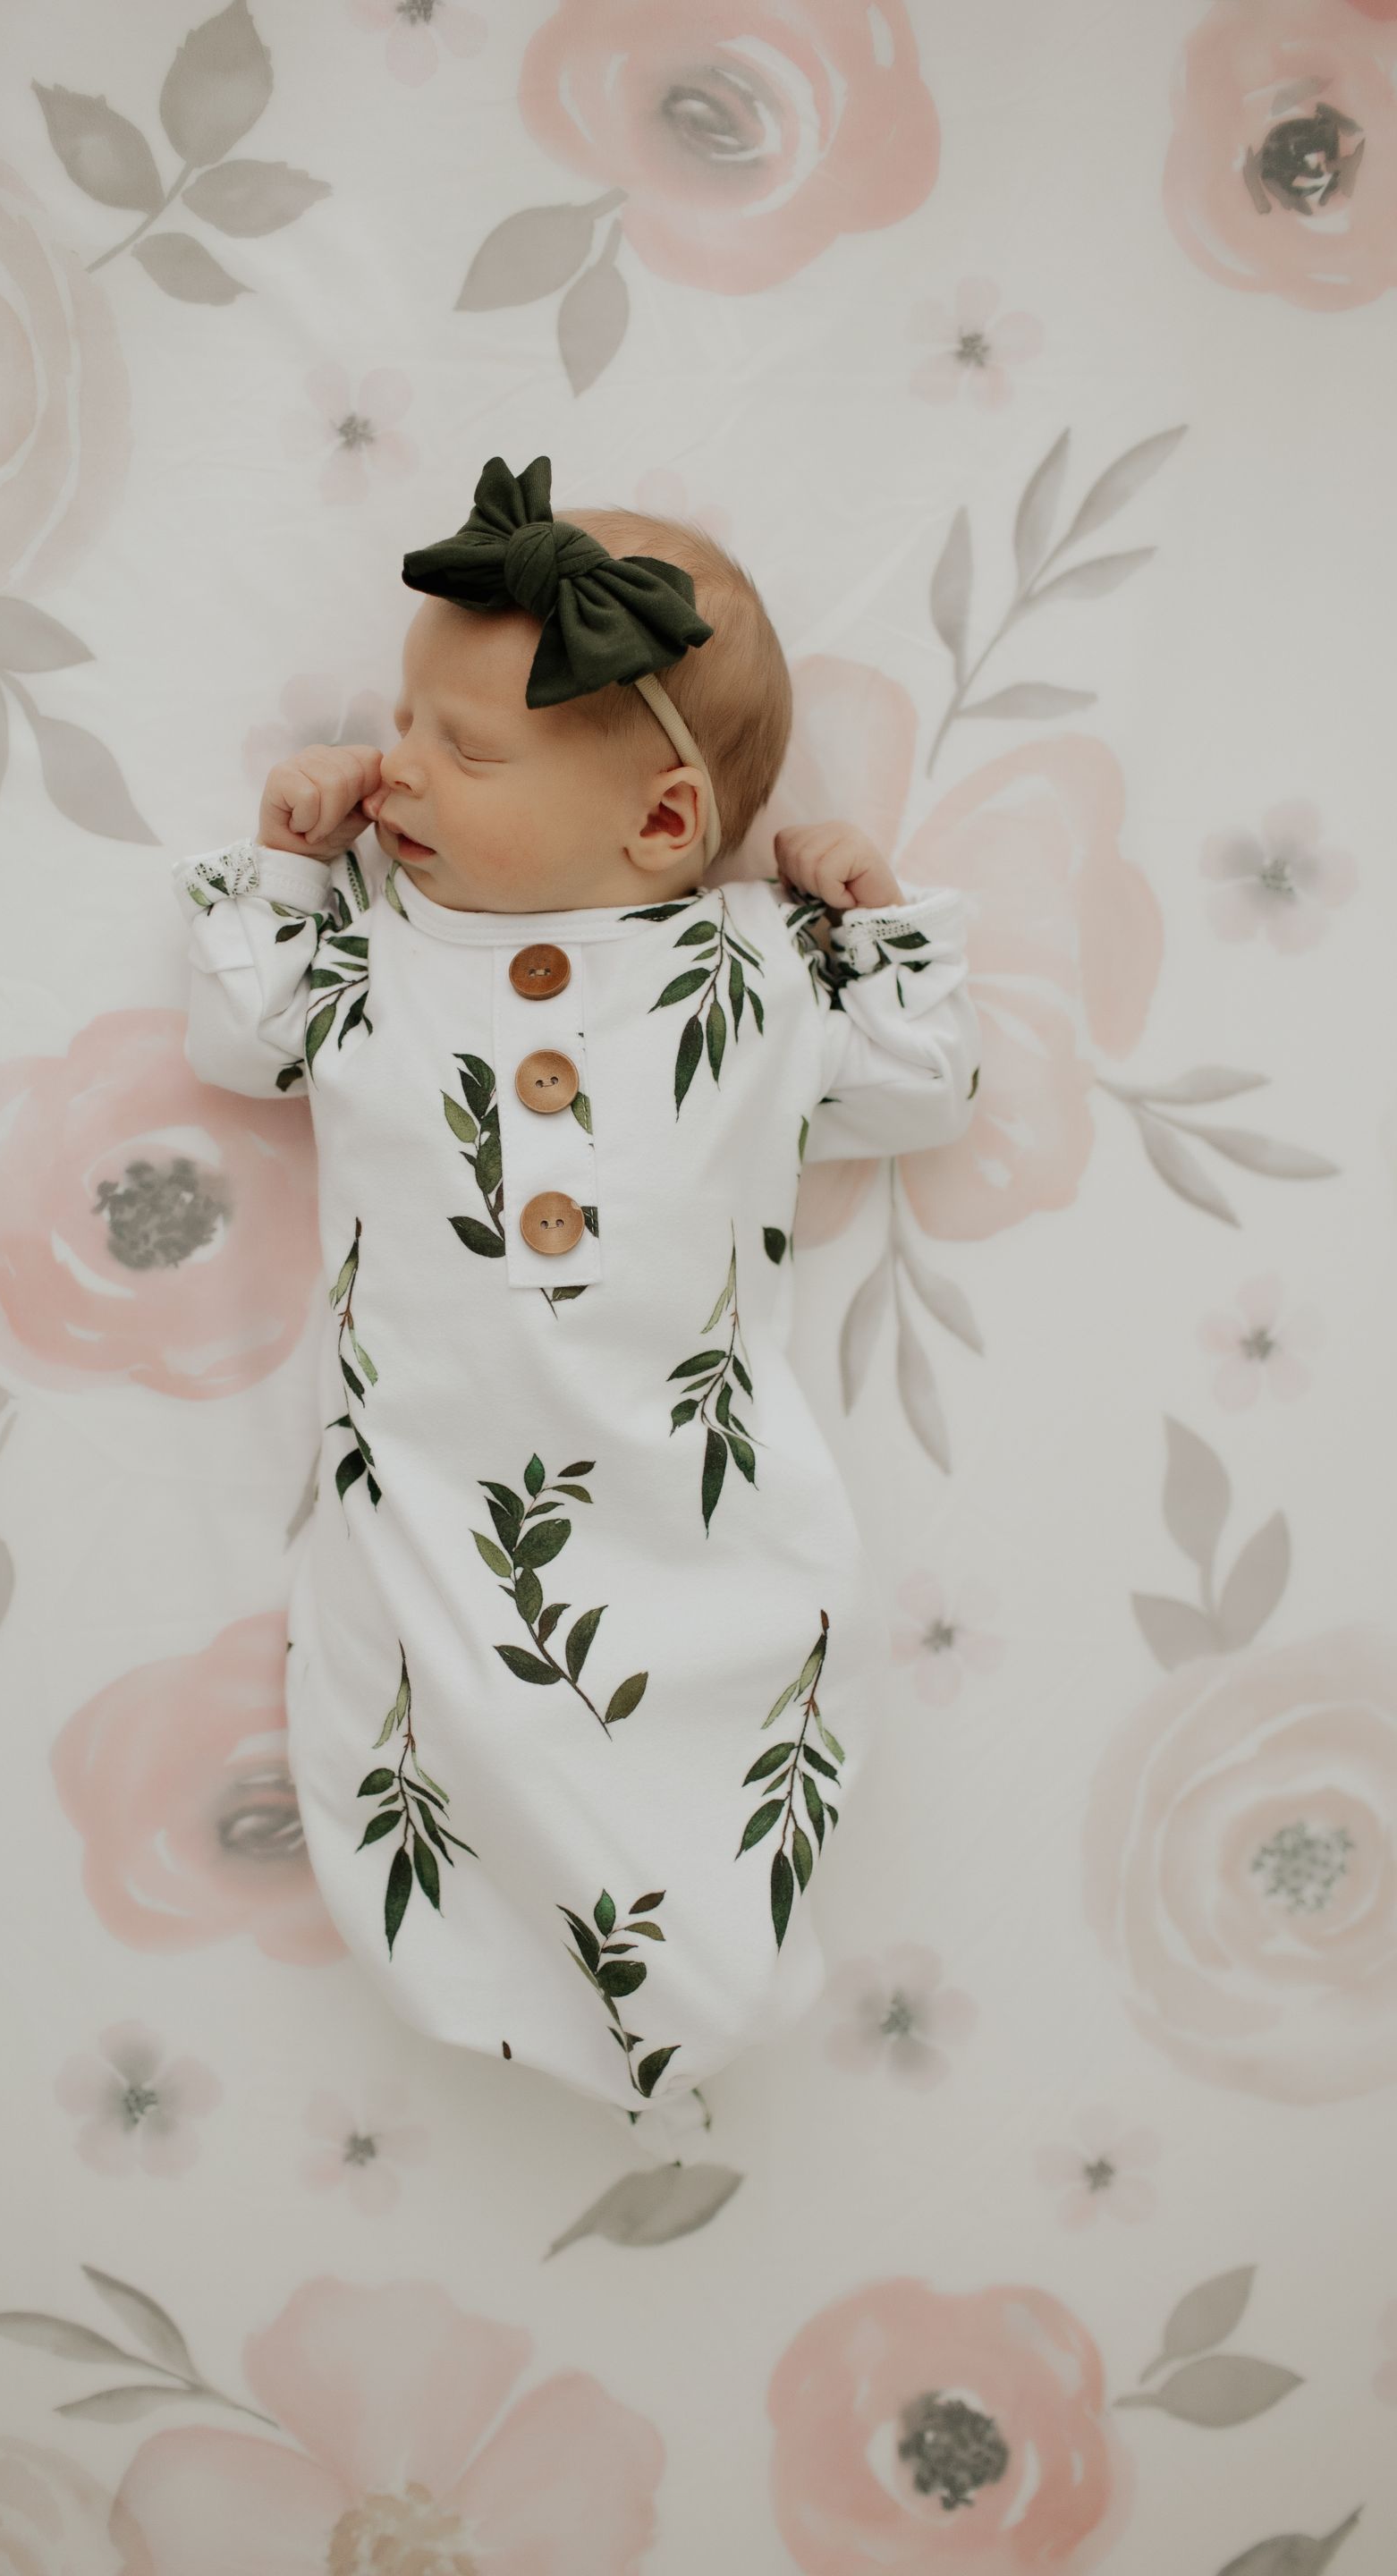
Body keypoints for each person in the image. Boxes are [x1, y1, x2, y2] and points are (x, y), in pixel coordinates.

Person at [170, 454, 980, 2121]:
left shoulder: (753, 967)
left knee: (716, 1700)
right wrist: (287, 863)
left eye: (462, 749)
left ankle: (698, 1982)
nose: (397, 765)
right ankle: (489, 1967)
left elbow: (915, 1096)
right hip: (434, 1501)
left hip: (698, 1496)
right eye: (406, 723)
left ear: (666, 821)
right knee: (442, 1725)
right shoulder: (370, 949)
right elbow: (236, 1041)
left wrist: (875, 919)